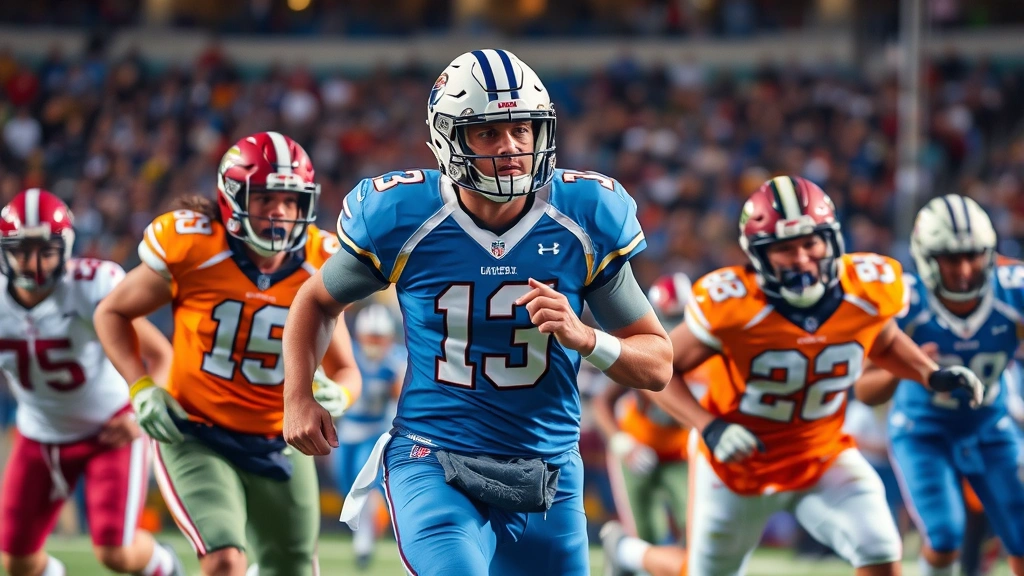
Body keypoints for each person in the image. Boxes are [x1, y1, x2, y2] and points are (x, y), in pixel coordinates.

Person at [281, 49, 673, 576]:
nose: (511, 147)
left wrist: (586, 338)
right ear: (449, 138)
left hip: (549, 469)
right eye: (488, 132)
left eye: (522, 130)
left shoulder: (583, 217)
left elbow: (658, 363)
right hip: (434, 457)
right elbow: (315, 299)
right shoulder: (404, 215)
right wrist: (297, 395)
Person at [601, 176, 985, 576]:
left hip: (821, 455)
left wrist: (930, 373)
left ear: (832, 240)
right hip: (738, 466)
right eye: (785, 248)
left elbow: (883, 340)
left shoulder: (865, 289)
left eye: (810, 243)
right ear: (758, 256)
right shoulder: (734, 305)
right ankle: (627, 552)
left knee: (881, 553)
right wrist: (709, 427)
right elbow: (660, 368)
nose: (802, 258)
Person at [93, 132, 361, 576]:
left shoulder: (320, 262)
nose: (279, 212)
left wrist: (337, 396)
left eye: (291, 200)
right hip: (197, 432)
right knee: (224, 560)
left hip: (282, 438)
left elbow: (347, 369)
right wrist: (140, 387)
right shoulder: (194, 247)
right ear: (232, 199)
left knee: (292, 567)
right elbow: (112, 313)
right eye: (265, 198)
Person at [0, 189, 184, 576]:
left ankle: (165, 565)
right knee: (16, 560)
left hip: (110, 431)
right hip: (38, 433)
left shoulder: (89, 285)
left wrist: (141, 414)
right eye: (22, 250)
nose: (33, 263)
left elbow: (161, 353)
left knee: (115, 553)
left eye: (45, 250)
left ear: (66, 249)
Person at [855, 195, 1024, 576]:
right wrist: (904, 366)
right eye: (950, 257)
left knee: (1021, 531)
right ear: (927, 257)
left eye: (973, 255)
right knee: (945, 533)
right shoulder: (905, 301)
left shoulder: (1014, 290)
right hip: (923, 429)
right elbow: (865, 391)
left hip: (991, 426)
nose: (964, 269)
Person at [593, 273, 703, 547]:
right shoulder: (645, 348)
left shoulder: (706, 350)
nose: (674, 331)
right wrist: (622, 443)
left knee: (696, 531)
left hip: (680, 452)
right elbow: (602, 400)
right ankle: (623, 554)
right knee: (645, 536)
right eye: (668, 321)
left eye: (680, 321)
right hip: (638, 447)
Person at [335, 303, 406, 570]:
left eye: (380, 337)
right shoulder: (350, 355)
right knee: (346, 484)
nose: (375, 343)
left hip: (375, 431)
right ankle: (365, 533)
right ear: (360, 336)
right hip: (347, 431)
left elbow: (401, 396)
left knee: (363, 482)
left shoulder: (396, 360)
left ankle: (363, 542)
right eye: (370, 337)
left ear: (389, 338)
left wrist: (398, 380)